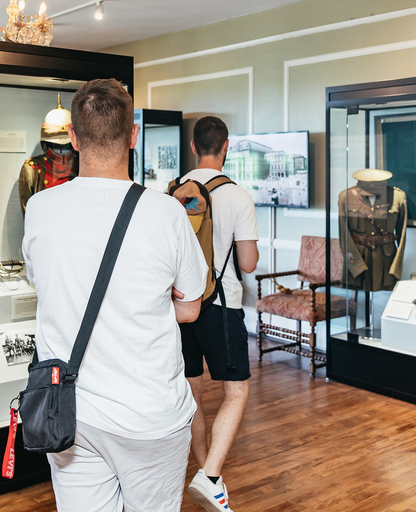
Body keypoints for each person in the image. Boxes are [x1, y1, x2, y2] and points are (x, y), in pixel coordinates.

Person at [21, 79, 208, 512]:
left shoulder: (41, 209)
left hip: (70, 411)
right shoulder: (167, 213)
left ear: (73, 136)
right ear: (133, 135)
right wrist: (149, 306)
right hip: (150, 414)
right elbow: (191, 305)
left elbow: (46, 287)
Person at [178, 116, 259, 510]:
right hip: (221, 307)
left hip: (181, 308)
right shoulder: (238, 197)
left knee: (192, 391)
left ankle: (209, 475)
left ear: (193, 147)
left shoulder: (172, 193)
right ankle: (210, 476)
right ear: (225, 146)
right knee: (236, 390)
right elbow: (247, 263)